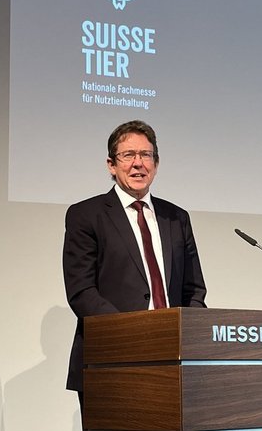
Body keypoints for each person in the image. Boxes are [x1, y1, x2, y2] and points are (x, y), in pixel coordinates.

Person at [62, 120, 207, 397]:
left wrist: (190, 338)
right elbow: (81, 291)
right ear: (111, 165)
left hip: (173, 360)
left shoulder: (176, 217)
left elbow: (194, 290)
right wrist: (134, 335)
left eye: (146, 155)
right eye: (128, 155)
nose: (138, 163)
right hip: (110, 359)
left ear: (156, 163)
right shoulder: (86, 215)